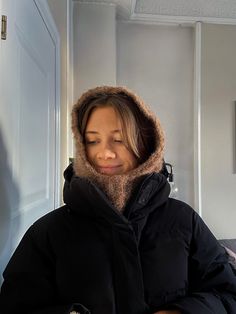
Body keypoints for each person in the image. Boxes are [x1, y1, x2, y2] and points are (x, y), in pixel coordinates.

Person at [0, 85, 236, 314]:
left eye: (119, 139)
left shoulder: (184, 220)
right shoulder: (49, 231)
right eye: (92, 140)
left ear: (145, 144)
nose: (105, 152)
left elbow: (227, 294)